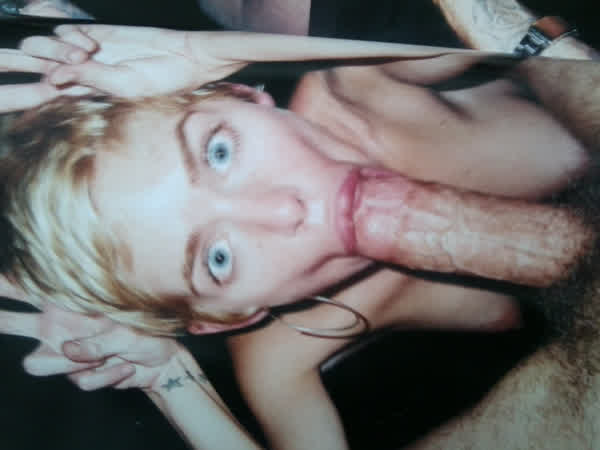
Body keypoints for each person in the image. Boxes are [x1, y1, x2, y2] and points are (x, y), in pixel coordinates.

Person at [1, 2, 599, 450]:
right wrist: (172, 383)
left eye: (219, 152)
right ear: (229, 316)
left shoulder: (363, 82)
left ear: (242, 94)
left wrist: (218, 50)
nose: (281, 210)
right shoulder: (278, 358)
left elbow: (493, 26)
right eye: (218, 259)